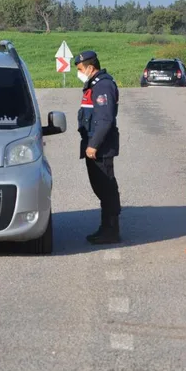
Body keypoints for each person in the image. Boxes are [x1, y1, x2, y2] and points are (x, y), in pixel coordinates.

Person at [75, 50, 122, 244]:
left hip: (100, 147)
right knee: (100, 187)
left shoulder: (103, 86)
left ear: (90, 67)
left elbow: (105, 120)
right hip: (94, 144)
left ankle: (111, 230)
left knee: (106, 187)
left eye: (80, 69)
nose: (79, 73)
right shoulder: (93, 85)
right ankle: (105, 227)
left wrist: (93, 145)